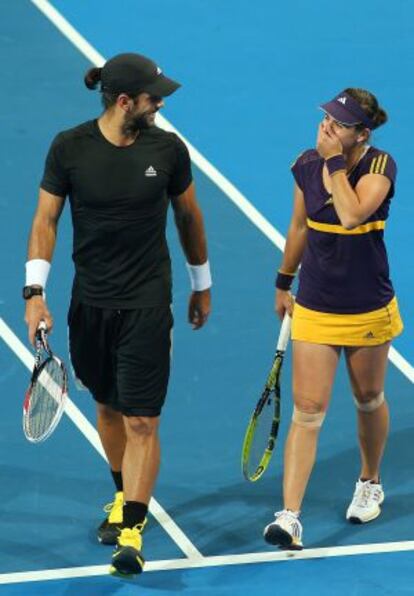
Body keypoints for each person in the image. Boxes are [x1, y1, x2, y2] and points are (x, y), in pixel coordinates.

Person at [23, 52, 212, 576]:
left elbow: (188, 215)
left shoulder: (168, 150)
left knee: (142, 419)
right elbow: (46, 219)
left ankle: (132, 527)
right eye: (154, 98)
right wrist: (33, 292)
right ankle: (123, 494)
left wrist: (202, 283)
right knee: (107, 408)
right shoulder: (69, 148)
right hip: (91, 304)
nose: (161, 104)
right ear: (124, 101)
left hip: (148, 303)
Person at [263, 88, 403, 550]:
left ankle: (370, 480)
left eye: (340, 124)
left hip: (367, 307)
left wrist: (335, 163)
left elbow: (350, 214)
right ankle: (290, 517)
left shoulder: (379, 167)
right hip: (317, 305)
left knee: (367, 397)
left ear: (362, 134)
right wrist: (284, 282)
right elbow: (300, 226)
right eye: (327, 117)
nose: (327, 127)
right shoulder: (305, 163)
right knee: (307, 411)